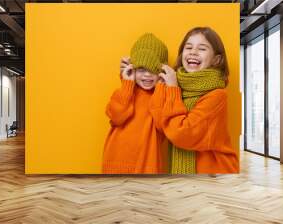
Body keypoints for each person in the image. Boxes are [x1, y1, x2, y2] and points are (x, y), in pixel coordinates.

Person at [151, 27, 239, 174]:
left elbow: (182, 134)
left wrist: (172, 89)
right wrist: (161, 86)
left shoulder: (217, 95)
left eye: (202, 48)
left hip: (215, 176)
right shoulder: (178, 87)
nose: (193, 52)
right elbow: (160, 124)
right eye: (188, 47)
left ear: (216, 59)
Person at [102, 33, 168, 174]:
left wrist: (162, 86)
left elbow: (161, 124)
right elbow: (117, 116)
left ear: (162, 71)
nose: (147, 75)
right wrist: (127, 84)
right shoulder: (124, 92)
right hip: (115, 162)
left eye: (153, 70)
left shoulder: (162, 96)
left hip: (147, 165)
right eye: (142, 69)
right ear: (133, 68)